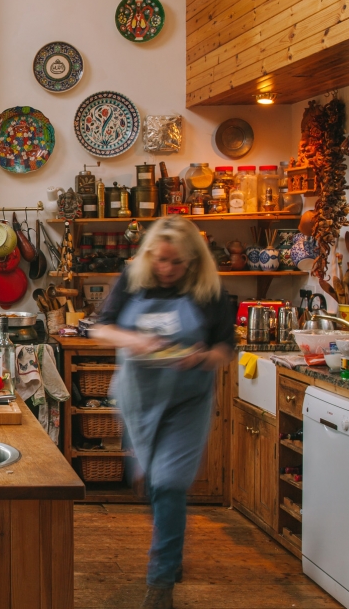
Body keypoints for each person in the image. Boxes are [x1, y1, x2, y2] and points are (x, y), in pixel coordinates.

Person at [91, 217, 234, 609]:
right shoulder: (133, 277)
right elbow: (101, 328)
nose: (167, 269)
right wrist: (133, 339)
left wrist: (204, 357)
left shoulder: (209, 290)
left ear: (193, 260)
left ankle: (160, 584)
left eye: (176, 263)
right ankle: (171, 554)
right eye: (160, 260)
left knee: (170, 483)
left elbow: (225, 347)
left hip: (187, 403)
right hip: (139, 400)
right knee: (154, 484)